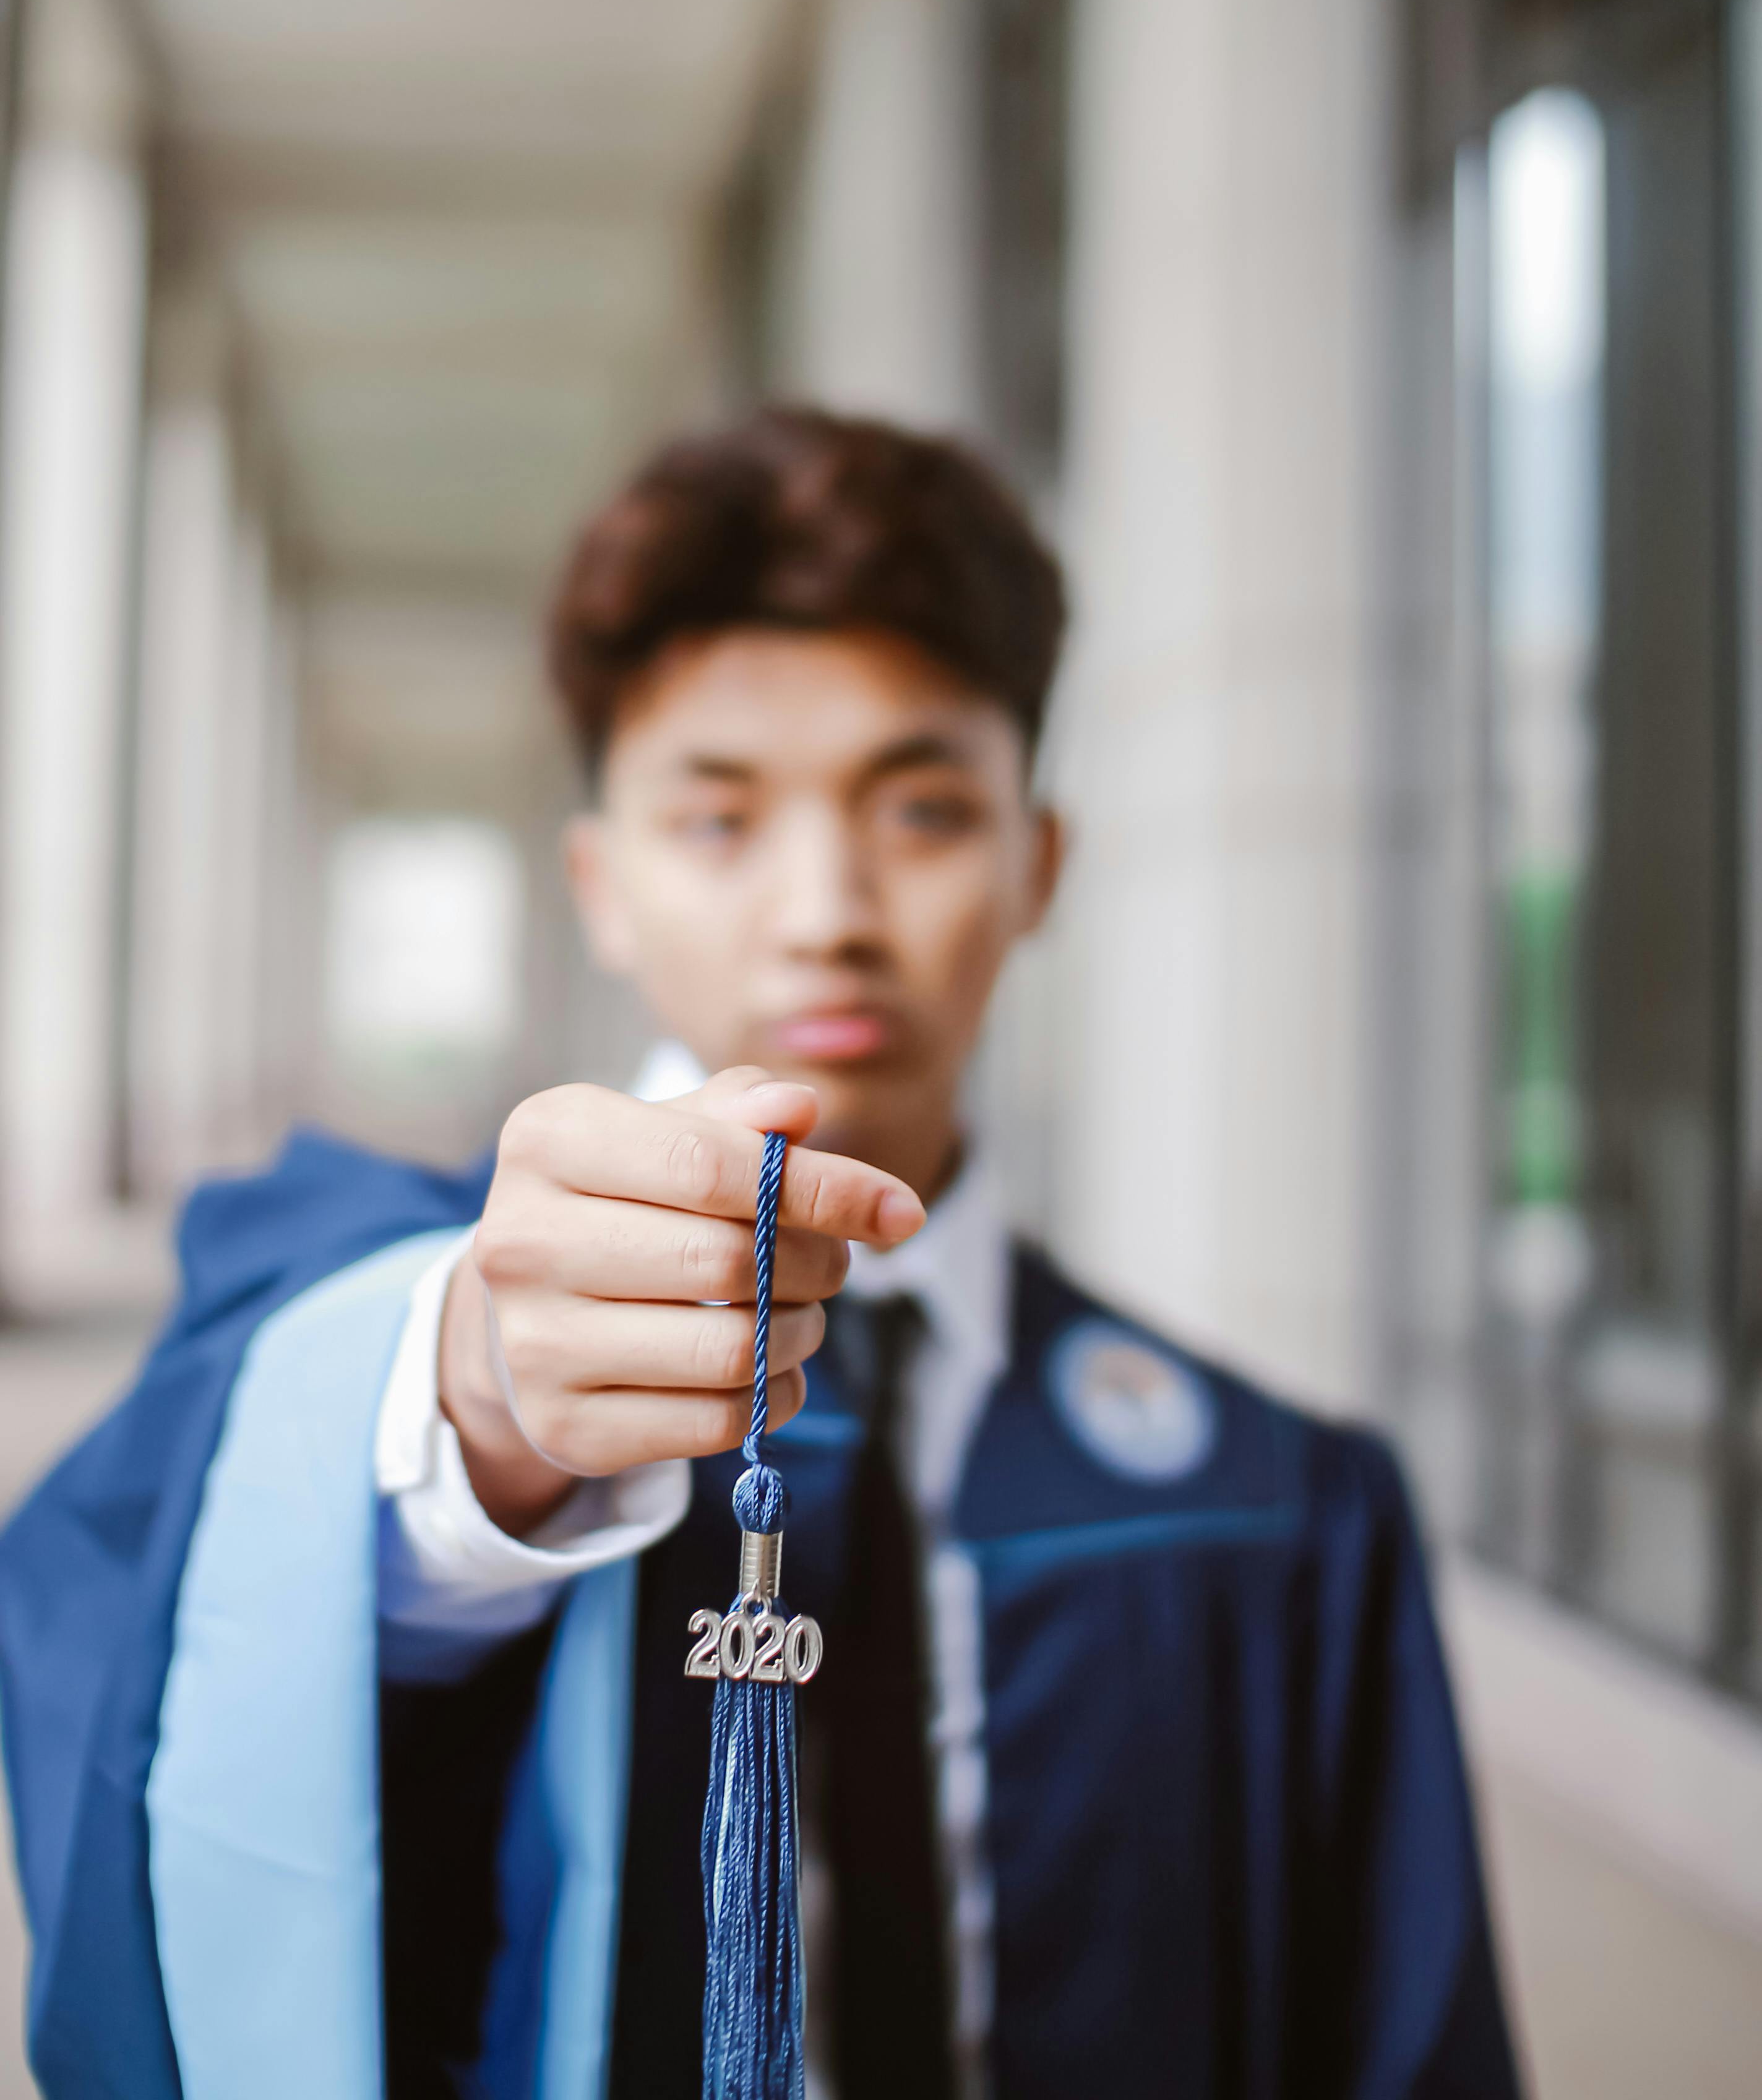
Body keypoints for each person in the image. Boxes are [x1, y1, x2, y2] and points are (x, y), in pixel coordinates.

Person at [0, 408, 1522, 2100]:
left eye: (924, 809)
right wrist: (478, 1423)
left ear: (1042, 864)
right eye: (718, 821)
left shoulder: (1277, 1505)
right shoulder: (394, 1322)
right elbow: (149, 1585)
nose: (825, 909)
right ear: (600, 883)